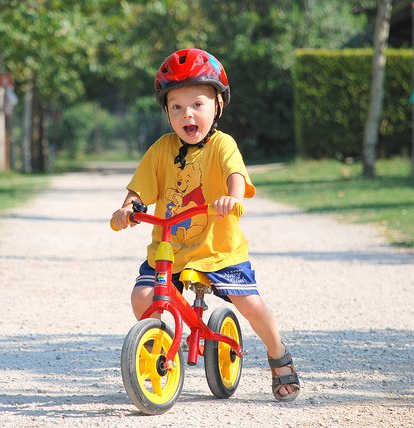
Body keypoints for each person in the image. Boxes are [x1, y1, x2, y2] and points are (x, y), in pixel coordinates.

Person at [111, 48, 300, 402]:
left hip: (218, 250)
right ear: (166, 112)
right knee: (142, 296)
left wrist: (233, 198)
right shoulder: (162, 149)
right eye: (177, 107)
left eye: (198, 104)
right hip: (170, 251)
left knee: (249, 304)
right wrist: (127, 209)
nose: (188, 114)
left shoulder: (222, 145)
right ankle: (165, 340)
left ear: (218, 107)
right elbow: (138, 190)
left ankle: (278, 354)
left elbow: (236, 176)